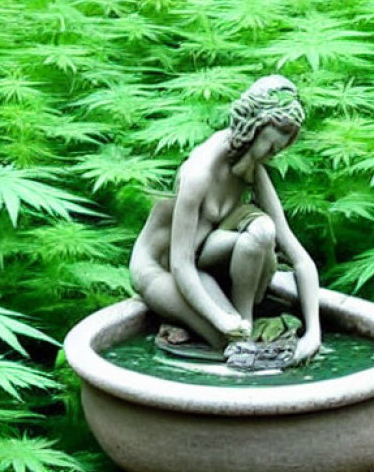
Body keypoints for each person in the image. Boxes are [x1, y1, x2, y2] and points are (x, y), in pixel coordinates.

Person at [129, 75, 321, 364]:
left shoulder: (251, 169)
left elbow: (298, 256)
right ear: (255, 127)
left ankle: (243, 320)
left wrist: (314, 334)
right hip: (163, 267)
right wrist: (220, 320)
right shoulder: (199, 173)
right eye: (271, 147)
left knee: (262, 231)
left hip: (202, 263)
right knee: (230, 344)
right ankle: (219, 329)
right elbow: (180, 263)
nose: (272, 156)